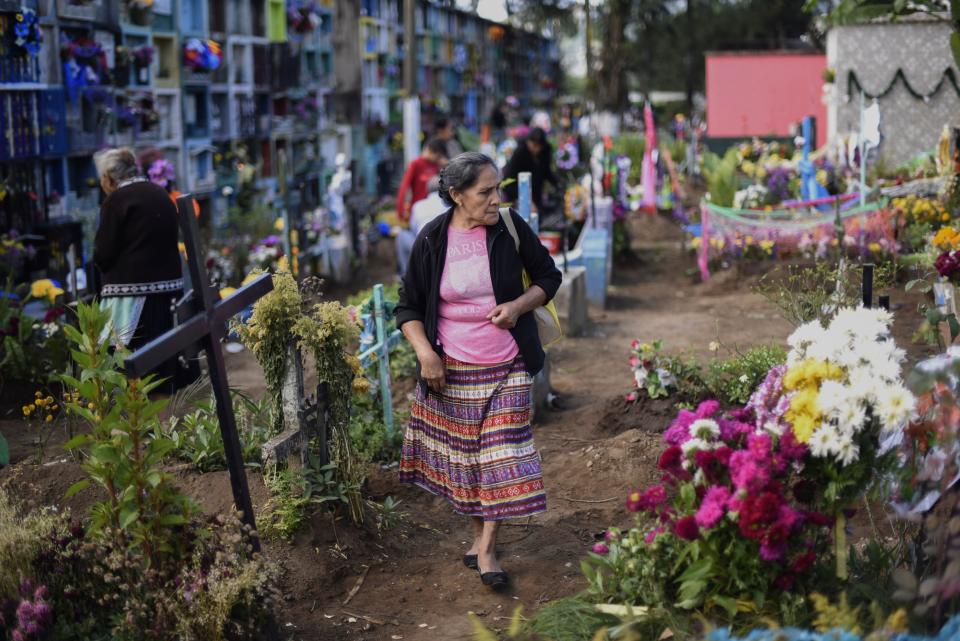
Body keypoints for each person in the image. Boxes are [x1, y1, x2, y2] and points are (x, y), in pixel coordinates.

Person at [396, 152, 562, 590]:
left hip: (508, 360)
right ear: (456, 195)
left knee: (499, 452)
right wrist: (425, 354)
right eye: (485, 192)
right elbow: (408, 305)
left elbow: (549, 276)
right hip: (451, 368)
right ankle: (476, 536)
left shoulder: (509, 229)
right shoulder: (432, 239)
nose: (496, 199)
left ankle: (488, 548)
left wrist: (518, 306)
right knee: (467, 460)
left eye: (498, 189)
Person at [93, 148, 197, 392]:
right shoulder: (160, 194)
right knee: (161, 371)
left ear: (109, 177)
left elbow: (103, 253)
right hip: (169, 296)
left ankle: (133, 428)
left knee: (127, 370)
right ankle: (160, 423)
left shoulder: (116, 201)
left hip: (133, 302)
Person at [395, 176, 446, 277]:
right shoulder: (448, 204)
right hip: (444, 246)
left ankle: (405, 274)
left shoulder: (418, 206)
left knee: (401, 235)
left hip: (423, 247)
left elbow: (414, 230)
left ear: (427, 190)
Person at [501, 127, 559, 213]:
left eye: (539, 146)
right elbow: (508, 182)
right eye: (534, 145)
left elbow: (546, 171)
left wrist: (558, 183)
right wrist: (526, 200)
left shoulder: (544, 153)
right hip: (516, 193)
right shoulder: (520, 153)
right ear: (528, 141)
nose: (536, 149)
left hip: (535, 193)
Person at [396, 138, 447, 222]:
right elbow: (404, 187)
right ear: (430, 151)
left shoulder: (435, 165)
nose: (438, 159)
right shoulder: (415, 164)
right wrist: (400, 211)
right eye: (438, 157)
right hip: (418, 210)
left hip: (432, 208)